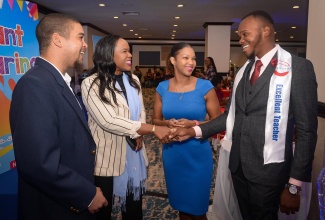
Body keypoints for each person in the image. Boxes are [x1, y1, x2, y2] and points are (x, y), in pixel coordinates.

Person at [170, 10, 318, 220]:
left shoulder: (298, 68)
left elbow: (307, 132)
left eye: (244, 34)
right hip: (238, 168)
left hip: (270, 172)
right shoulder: (244, 70)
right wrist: (192, 130)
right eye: (239, 35)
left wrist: (294, 186)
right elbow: (229, 116)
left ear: (266, 31)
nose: (240, 40)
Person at [9, 13, 108, 220]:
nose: (85, 45)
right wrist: (87, 194)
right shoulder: (35, 85)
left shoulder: (58, 81)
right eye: (80, 37)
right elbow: (39, 164)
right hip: (55, 208)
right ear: (57, 39)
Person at [81, 34, 172, 220]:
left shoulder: (134, 80)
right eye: (124, 51)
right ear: (108, 54)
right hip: (106, 158)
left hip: (134, 153)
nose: (130, 55)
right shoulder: (91, 83)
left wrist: (139, 134)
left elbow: (140, 112)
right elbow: (108, 120)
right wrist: (151, 129)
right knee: (103, 210)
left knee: (133, 207)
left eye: (129, 51)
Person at [153, 42, 222, 220]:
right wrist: (167, 122)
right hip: (173, 154)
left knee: (198, 210)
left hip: (197, 153)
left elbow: (219, 121)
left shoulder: (205, 86)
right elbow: (155, 120)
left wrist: (194, 123)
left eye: (193, 58)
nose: (191, 62)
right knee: (181, 207)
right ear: (173, 60)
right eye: (185, 57)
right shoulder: (162, 87)